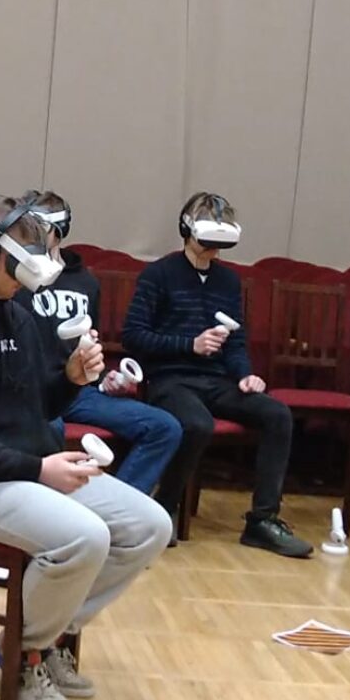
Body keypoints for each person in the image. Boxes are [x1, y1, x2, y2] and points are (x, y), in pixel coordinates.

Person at [0, 196, 171, 700]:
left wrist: (69, 379)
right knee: (84, 537)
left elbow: (33, 407)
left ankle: (44, 637)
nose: (22, 286)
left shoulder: (14, 316)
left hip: (24, 470)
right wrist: (39, 470)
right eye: (17, 272)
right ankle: (22, 652)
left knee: (149, 526)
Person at [122, 192, 312, 557]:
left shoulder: (228, 281)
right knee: (197, 424)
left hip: (216, 381)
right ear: (187, 230)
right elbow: (134, 336)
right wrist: (188, 345)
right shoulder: (158, 274)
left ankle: (262, 520)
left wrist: (245, 376)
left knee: (277, 414)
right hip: (169, 380)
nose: (213, 248)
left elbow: (235, 342)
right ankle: (165, 508)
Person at [15, 190, 182, 496]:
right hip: (31, 392)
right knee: (50, 428)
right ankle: (52, 510)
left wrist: (104, 379)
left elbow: (86, 342)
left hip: (79, 391)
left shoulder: (86, 282)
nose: (29, 236)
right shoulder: (15, 276)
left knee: (164, 427)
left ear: (59, 231)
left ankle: (118, 506)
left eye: (37, 228)